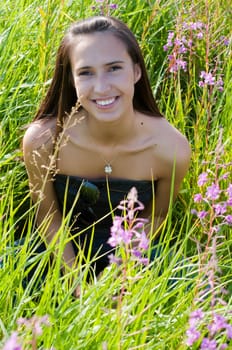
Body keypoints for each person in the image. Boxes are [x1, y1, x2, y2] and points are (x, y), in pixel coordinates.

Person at [23, 16, 191, 297]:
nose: (101, 88)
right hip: (58, 252)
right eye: (86, 73)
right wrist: (76, 282)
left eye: (114, 68)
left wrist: (118, 275)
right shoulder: (43, 140)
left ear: (136, 72)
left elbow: (157, 215)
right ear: (71, 79)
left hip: (132, 257)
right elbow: (48, 215)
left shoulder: (170, 148)